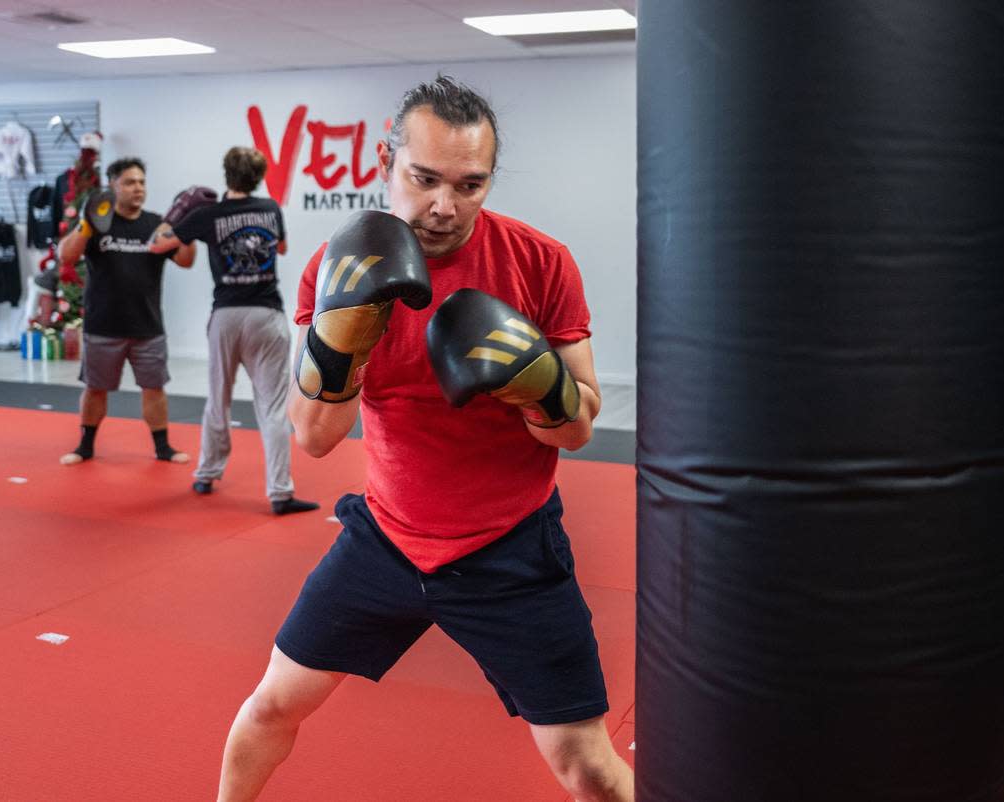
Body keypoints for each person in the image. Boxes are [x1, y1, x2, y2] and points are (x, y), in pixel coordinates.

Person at [217, 76, 634, 802]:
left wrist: (538, 384)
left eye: (470, 185)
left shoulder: (541, 262)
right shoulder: (337, 267)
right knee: (270, 707)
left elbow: (579, 428)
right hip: (386, 540)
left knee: (586, 763)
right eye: (426, 179)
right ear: (386, 161)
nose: (445, 206)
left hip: (510, 549)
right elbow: (315, 437)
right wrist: (342, 347)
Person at [149, 148, 319, 516]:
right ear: (257, 177)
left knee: (217, 398)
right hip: (266, 314)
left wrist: (177, 214)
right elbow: (283, 248)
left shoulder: (207, 215)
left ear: (226, 174)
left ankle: (206, 474)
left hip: (226, 315)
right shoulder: (271, 209)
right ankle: (280, 493)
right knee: (273, 407)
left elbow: (158, 243)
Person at [57, 157, 196, 466]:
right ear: (113, 186)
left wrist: (187, 228)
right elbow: (66, 256)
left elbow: (186, 260)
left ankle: (163, 448)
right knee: (95, 389)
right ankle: (85, 445)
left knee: (154, 389)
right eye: (130, 182)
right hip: (103, 324)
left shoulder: (155, 225)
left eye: (142, 182)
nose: (138, 189)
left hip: (146, 325)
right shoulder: (96, 223)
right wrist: (86, 223)